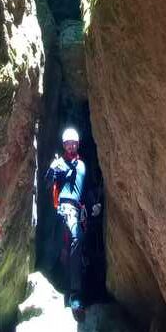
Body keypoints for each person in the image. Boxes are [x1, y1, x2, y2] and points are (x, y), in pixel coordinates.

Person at [45, 127, 101, 320]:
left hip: (78, 210)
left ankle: (79, 290)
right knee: (74, 239)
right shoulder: (59, 164)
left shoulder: (83, 165)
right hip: (63, 208)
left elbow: (87, 189)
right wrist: (52, 170)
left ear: (77, 144)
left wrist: (95, 205)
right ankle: (74, 295)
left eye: (73, 143)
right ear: (64, 145)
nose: (71, 146)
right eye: (68, 143)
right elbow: (47, 183)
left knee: (80, 245)